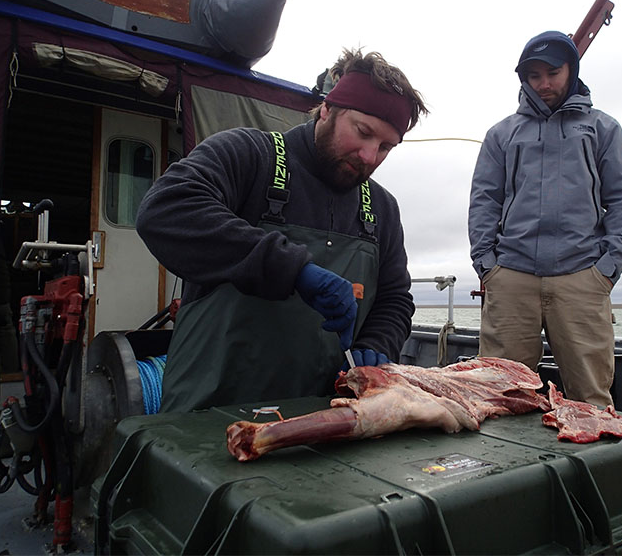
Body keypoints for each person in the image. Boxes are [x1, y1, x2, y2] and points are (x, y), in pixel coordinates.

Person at [136, 48, 428, 413]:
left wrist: (378, 342)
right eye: (363, 132)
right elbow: (166, 209)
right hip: (209, 415)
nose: (370, 157)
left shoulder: (382, 209)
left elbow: (394, 298)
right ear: (327, 109)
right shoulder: (249, 154)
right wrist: (294, 270)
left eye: (386, 146)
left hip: (324, 421)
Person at [468, 30, 622, 408]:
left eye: (553, 73)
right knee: (499, 395)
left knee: (591, 399)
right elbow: (484, 201)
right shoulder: (501, 135)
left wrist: (607, 269)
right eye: (534, 76)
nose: (544, 84)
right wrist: (487, 266)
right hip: (510, 278)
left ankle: (594, 465)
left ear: (571, 71)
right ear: (524, 79)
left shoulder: (603, 129)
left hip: (582, 278)